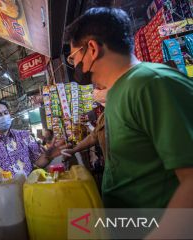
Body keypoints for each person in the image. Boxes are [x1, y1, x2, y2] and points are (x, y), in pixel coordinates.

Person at [65, 7, 193, 235]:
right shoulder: (117, 93)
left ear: (92, 49)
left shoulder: (151, 83)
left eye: (74, 57)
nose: (74, 65)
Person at [0, 100, 73, 178]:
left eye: (5, 113)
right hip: (3, 197)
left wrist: (49, 156)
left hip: (28, 191)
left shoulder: (25, 136)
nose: (4, 117)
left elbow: (38, 162)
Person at [70, 88, 107, 158]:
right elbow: (93, 137)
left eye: (100, 87)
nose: (95, 92)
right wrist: (73, 150)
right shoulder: (102, 116)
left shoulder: (121, 110)